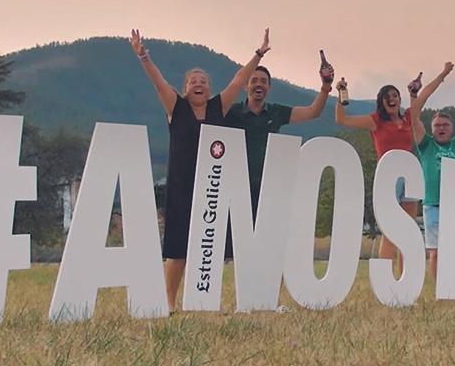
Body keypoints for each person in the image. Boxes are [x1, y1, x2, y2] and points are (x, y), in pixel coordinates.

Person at [129, 27, 271, 311]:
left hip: (214, 188)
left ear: (209, 89)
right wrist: (144, 57)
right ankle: (168, 302)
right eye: (193, 81)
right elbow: (159, 84)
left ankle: (203, 300)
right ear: (184, 89)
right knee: (178, 248)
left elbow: (238, 79)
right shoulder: (176, 107)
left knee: (210, 245)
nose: (199, 84)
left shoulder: (219, 107)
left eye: (203, 81)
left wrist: (258, 54)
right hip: (182, 186)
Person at [335, 63, 453, 273]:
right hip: (388, 177)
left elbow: (425, 94)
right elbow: (342, 120)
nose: (392, 99)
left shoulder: (408, 117)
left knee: (407, 230)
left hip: (409, 175)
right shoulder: (375, 121)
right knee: (390, 230)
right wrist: (340, 94)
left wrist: (443, 73)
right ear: (381, 101)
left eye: (395, 95)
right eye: (387, 96)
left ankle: (405, 278)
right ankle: (384, 277)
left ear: (400, 99)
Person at [224, 55, 333, 218]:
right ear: (245, 86)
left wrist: (325, 87)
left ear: (269, 87)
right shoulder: (231, 112)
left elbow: (312, 112)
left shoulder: (276, 112)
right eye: (254, 81)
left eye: (263, 81)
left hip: (267, 189)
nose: (258, 84)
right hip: (236, 188)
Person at [410, 67, 455, 280]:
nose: (441, 128)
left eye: (445, 125)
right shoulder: (425, 145)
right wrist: (413, 95)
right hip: (433, 204)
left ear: (452, 128)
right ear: (432, 129)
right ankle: (440, 290)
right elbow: (414, 120)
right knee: (435, 252)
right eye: (437, 125)